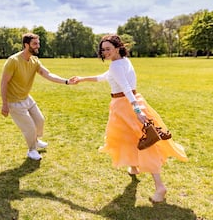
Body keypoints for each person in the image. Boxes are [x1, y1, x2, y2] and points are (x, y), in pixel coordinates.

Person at [72, 34, 188, 203]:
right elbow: (103, 77)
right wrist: (82, 79)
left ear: (118, 48)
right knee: (130, 138)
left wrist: (136, 110)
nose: (105, 52)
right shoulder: (123, 62)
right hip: (131, 102)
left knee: (147, 143)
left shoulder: (116, 66)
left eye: (108, 49)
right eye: (103, 50)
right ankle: (134, 167)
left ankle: (160, 187)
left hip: (126, 105)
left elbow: (126, 88)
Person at [1, 33, 75, 160]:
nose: (38, 46)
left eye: (38, 43)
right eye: (35, 44)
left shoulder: (35, 61)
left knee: (40, 120)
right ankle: (32, 150)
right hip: (14, 102)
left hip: (26, 98)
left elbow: (48, 74)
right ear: (26, 45)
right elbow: (4, 82)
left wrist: (66, 81)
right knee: (29, 128)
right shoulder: (13, 61)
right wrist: (5, 104)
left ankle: (35, 140)